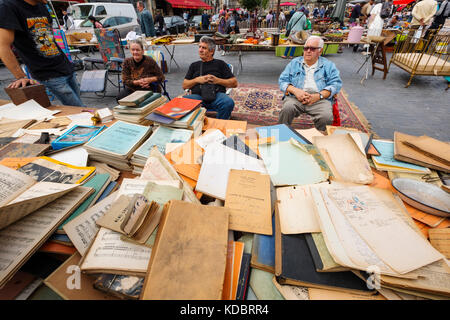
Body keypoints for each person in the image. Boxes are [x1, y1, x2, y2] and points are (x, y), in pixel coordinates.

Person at [0, 0, 84, 107]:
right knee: (80, 108)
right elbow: (3, 46)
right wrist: (20, 76)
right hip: (47, 73)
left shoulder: (41, 5)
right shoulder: (8, 6)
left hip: (64, 66)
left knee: (79, 107)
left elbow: (49, 37)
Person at [278, 36, 342, 132]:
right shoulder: (294, 63)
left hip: (319, 99)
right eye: (305, 48)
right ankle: (282, 134)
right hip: (296, 98)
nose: (308, 51)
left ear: (320, 51)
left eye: (312, 48)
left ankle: (319, 139)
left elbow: (335, 84)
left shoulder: (328, 65)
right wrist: (296, 91)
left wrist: (318, 96)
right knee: (287, 109)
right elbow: (282, 81)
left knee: (326, 117)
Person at [183, 36, 238, 120]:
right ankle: (193, 126)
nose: (200, 50)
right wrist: (197, 80)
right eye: (200, 47)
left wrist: (217, 80)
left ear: (211, 51)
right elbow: (185, 85)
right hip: (198, 97)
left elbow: (234, 83)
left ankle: (219, 127)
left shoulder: (220, 64)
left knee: (228, 102)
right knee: (180, 102)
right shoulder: (194, 65)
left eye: (204, 48)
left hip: (216, 95)